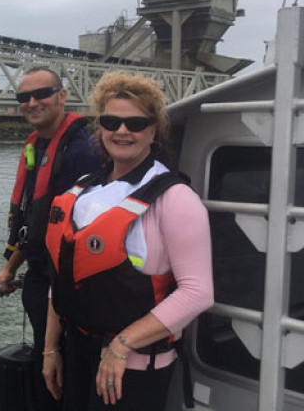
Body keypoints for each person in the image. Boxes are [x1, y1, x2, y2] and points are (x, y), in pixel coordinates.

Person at [42, 72, 214, 410]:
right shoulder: (82, 189)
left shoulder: (175, 198)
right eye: (111, 121)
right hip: (77, 351)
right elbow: (61, 277)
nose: (122, 131)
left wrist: (121, 346)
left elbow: (198, 292)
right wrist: (50, 348)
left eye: (135, 123)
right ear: (100, 127)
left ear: (153, 130)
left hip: (132, 366)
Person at [0, 67, 101, 410]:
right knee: (46, 370)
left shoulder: (81, 152)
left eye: (41, 94)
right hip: (40, 278)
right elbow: (35, 223)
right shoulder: (39, 145)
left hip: (64, 288)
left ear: (62, 96)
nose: (32, 103)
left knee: (60, 376)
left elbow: (68, 229)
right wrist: (10, 267)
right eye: (24, 97)